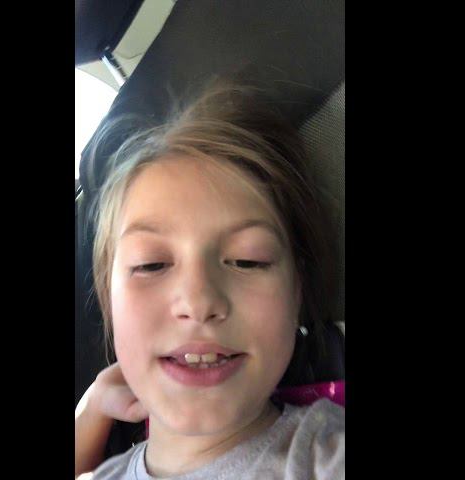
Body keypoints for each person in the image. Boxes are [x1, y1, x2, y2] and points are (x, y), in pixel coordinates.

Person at [75, 79, 345, 479]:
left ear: (297, 292)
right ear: (108, 299)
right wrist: (93, 408)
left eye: (247, 261)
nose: (198, 300)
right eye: (151, 264)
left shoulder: (323, 458)